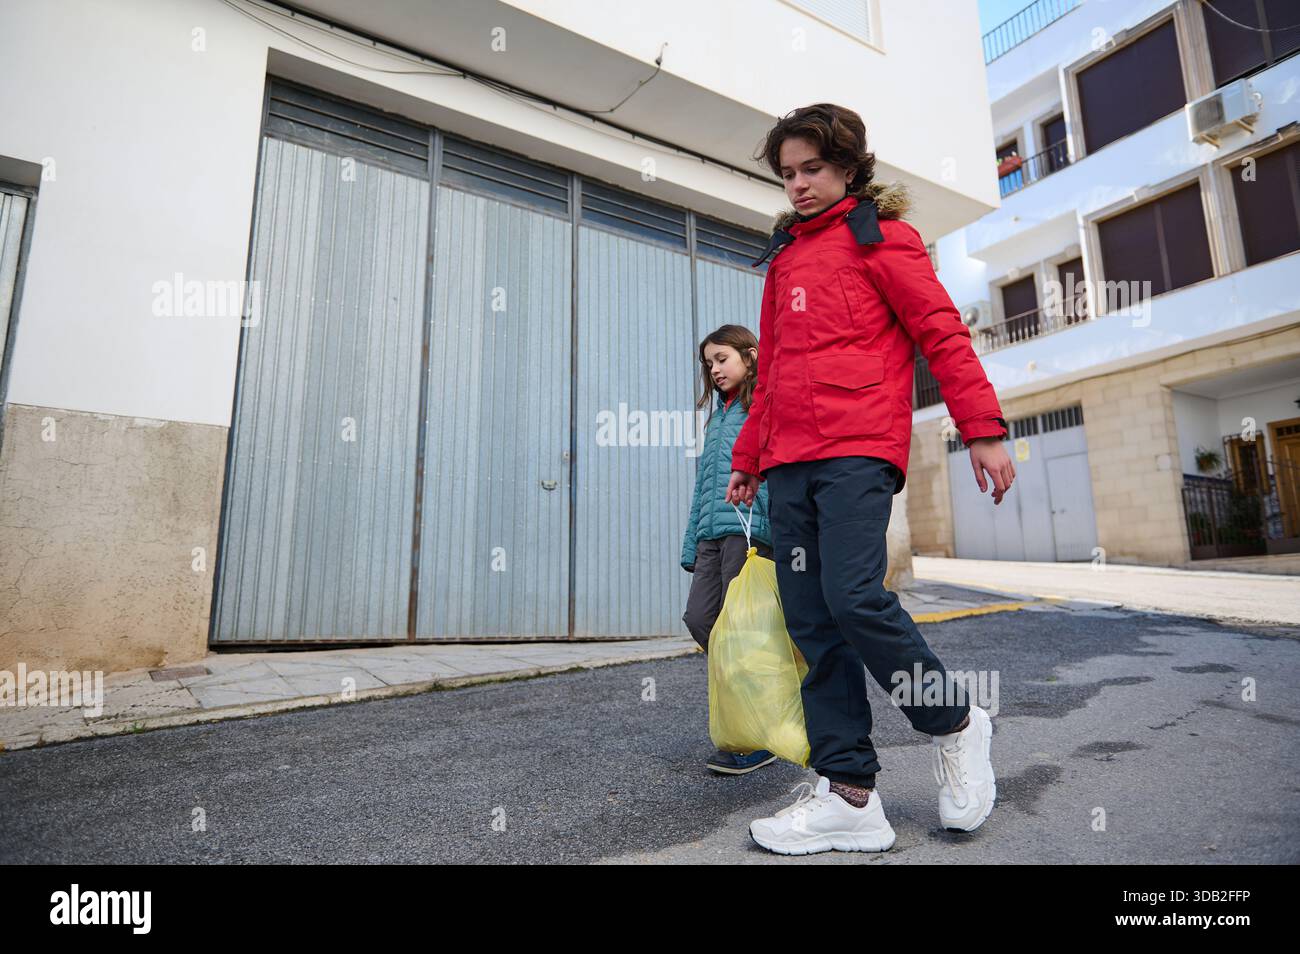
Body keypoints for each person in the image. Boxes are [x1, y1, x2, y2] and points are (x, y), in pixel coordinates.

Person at [726, 104, 1016, 854]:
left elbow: (941, 333)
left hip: (857, 450)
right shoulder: (784, 256)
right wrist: (748, 459)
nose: (798, 185)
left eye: (812, 169)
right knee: (811, 623)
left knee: (854, 598)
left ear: (849, 168)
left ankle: (955, 721)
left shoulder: (883, 239)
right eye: (787, 173)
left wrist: (981, 429)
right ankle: (850, 793)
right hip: (788, 463)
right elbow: (776, 373)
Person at [681, 325, 778, 775]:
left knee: (740, 633)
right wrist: (692, 543)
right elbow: (704, 486)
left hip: (747, 531)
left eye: (721, 358)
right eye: (709, 363)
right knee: (700, 620)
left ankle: (756, 738)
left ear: (751, 355)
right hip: (711, 537)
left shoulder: (762, 406)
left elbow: (775, 471)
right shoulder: (717, 416)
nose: (714, 369)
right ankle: (759, 715)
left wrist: (775, 535)